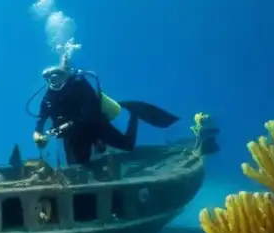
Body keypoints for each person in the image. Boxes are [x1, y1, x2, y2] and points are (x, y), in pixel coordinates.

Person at [32, 64, 179, 166]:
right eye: (50, 80)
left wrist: (70, 124)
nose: (55, 83)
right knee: (77, 165)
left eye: (58, 78)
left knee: (127, 145)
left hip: (94, 124)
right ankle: (98, 155)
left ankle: (133, 114)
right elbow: (41, 118)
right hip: (71, 133)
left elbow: (90, 112)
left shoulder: (80, 86)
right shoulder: (48, 97)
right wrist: (37, 134)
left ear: (66, 76)